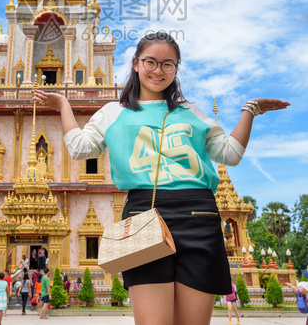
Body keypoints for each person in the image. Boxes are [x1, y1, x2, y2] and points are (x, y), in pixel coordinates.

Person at [34, 31, 290, 325]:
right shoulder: (112, 113)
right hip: (145, 215)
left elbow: (229, 154)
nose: (159, 70)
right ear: (135, 63)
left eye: (168, 64)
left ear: (176, 69)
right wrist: (64, 106)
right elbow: (80, 148)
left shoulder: (190, 112)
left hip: (199, 215)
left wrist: (250, 110)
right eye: (151, 62)